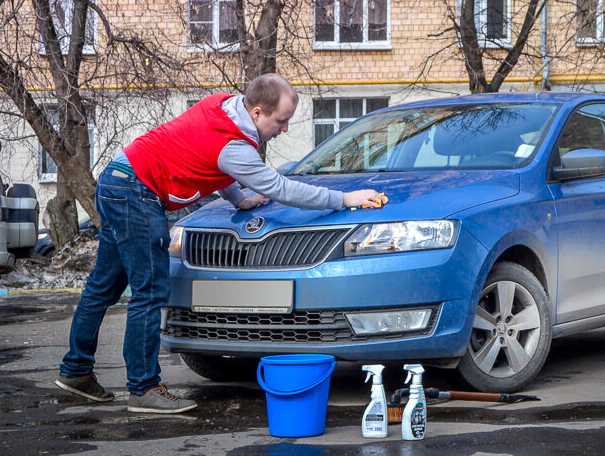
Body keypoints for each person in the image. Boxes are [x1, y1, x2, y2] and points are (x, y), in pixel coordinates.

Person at [54, 73, 381, 413]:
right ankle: (143, 388)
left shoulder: (222, 104)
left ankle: (76, 371)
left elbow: (209, 159)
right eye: (281, 121)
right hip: (137, 192)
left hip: (116, 179)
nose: (284, 129)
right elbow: (282, 189)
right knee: (150, 291)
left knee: (103, 287)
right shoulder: (235, 148)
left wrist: (237, 198)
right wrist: (346, 199)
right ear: (256, 112)